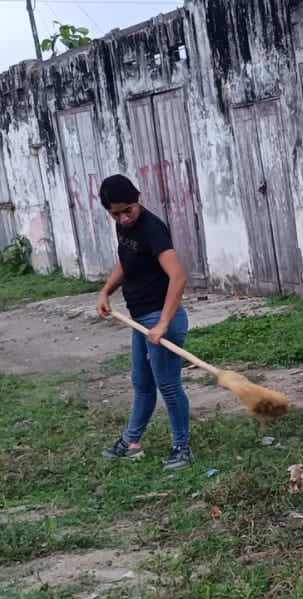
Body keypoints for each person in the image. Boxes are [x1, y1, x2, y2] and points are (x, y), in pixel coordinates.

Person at [95, 174, 193, 470]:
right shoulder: (125, 227)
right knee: (142, 383)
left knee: (169, 385)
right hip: (140, 319)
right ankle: (131, 442)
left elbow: (178, 277)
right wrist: (105, 291)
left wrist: (162, 323)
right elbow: (126, 262)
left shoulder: (152, 228)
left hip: (161, 318)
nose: (124, 219)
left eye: (128, 210)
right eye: (116, 214)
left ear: (137, 199)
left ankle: (181, 448)